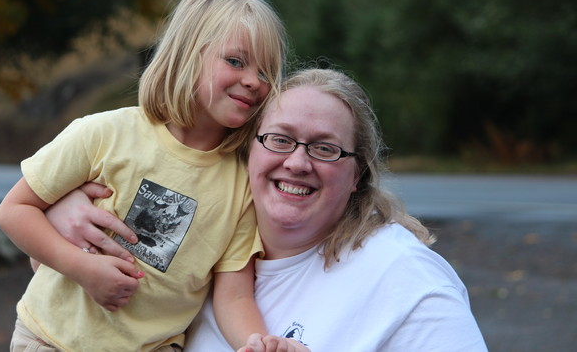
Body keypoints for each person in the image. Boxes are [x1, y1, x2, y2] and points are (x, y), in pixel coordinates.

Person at [45, 67, 488, 351]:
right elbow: (61, 285)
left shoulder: (404, 279)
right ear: (247, 152)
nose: (297, 162)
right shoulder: (203, 236)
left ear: (357, 176)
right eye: (280, 139)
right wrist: (62, 215)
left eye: (325, 148)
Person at [0, 0, 291, 352]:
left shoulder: (244, 184)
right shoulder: (104, 133)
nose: (253, 81)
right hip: (51, 339)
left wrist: (257, 343)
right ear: (187, 56)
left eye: (266, 73)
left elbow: (233, 296)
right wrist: (81, 268)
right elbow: (14, 210)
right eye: (235, 61)